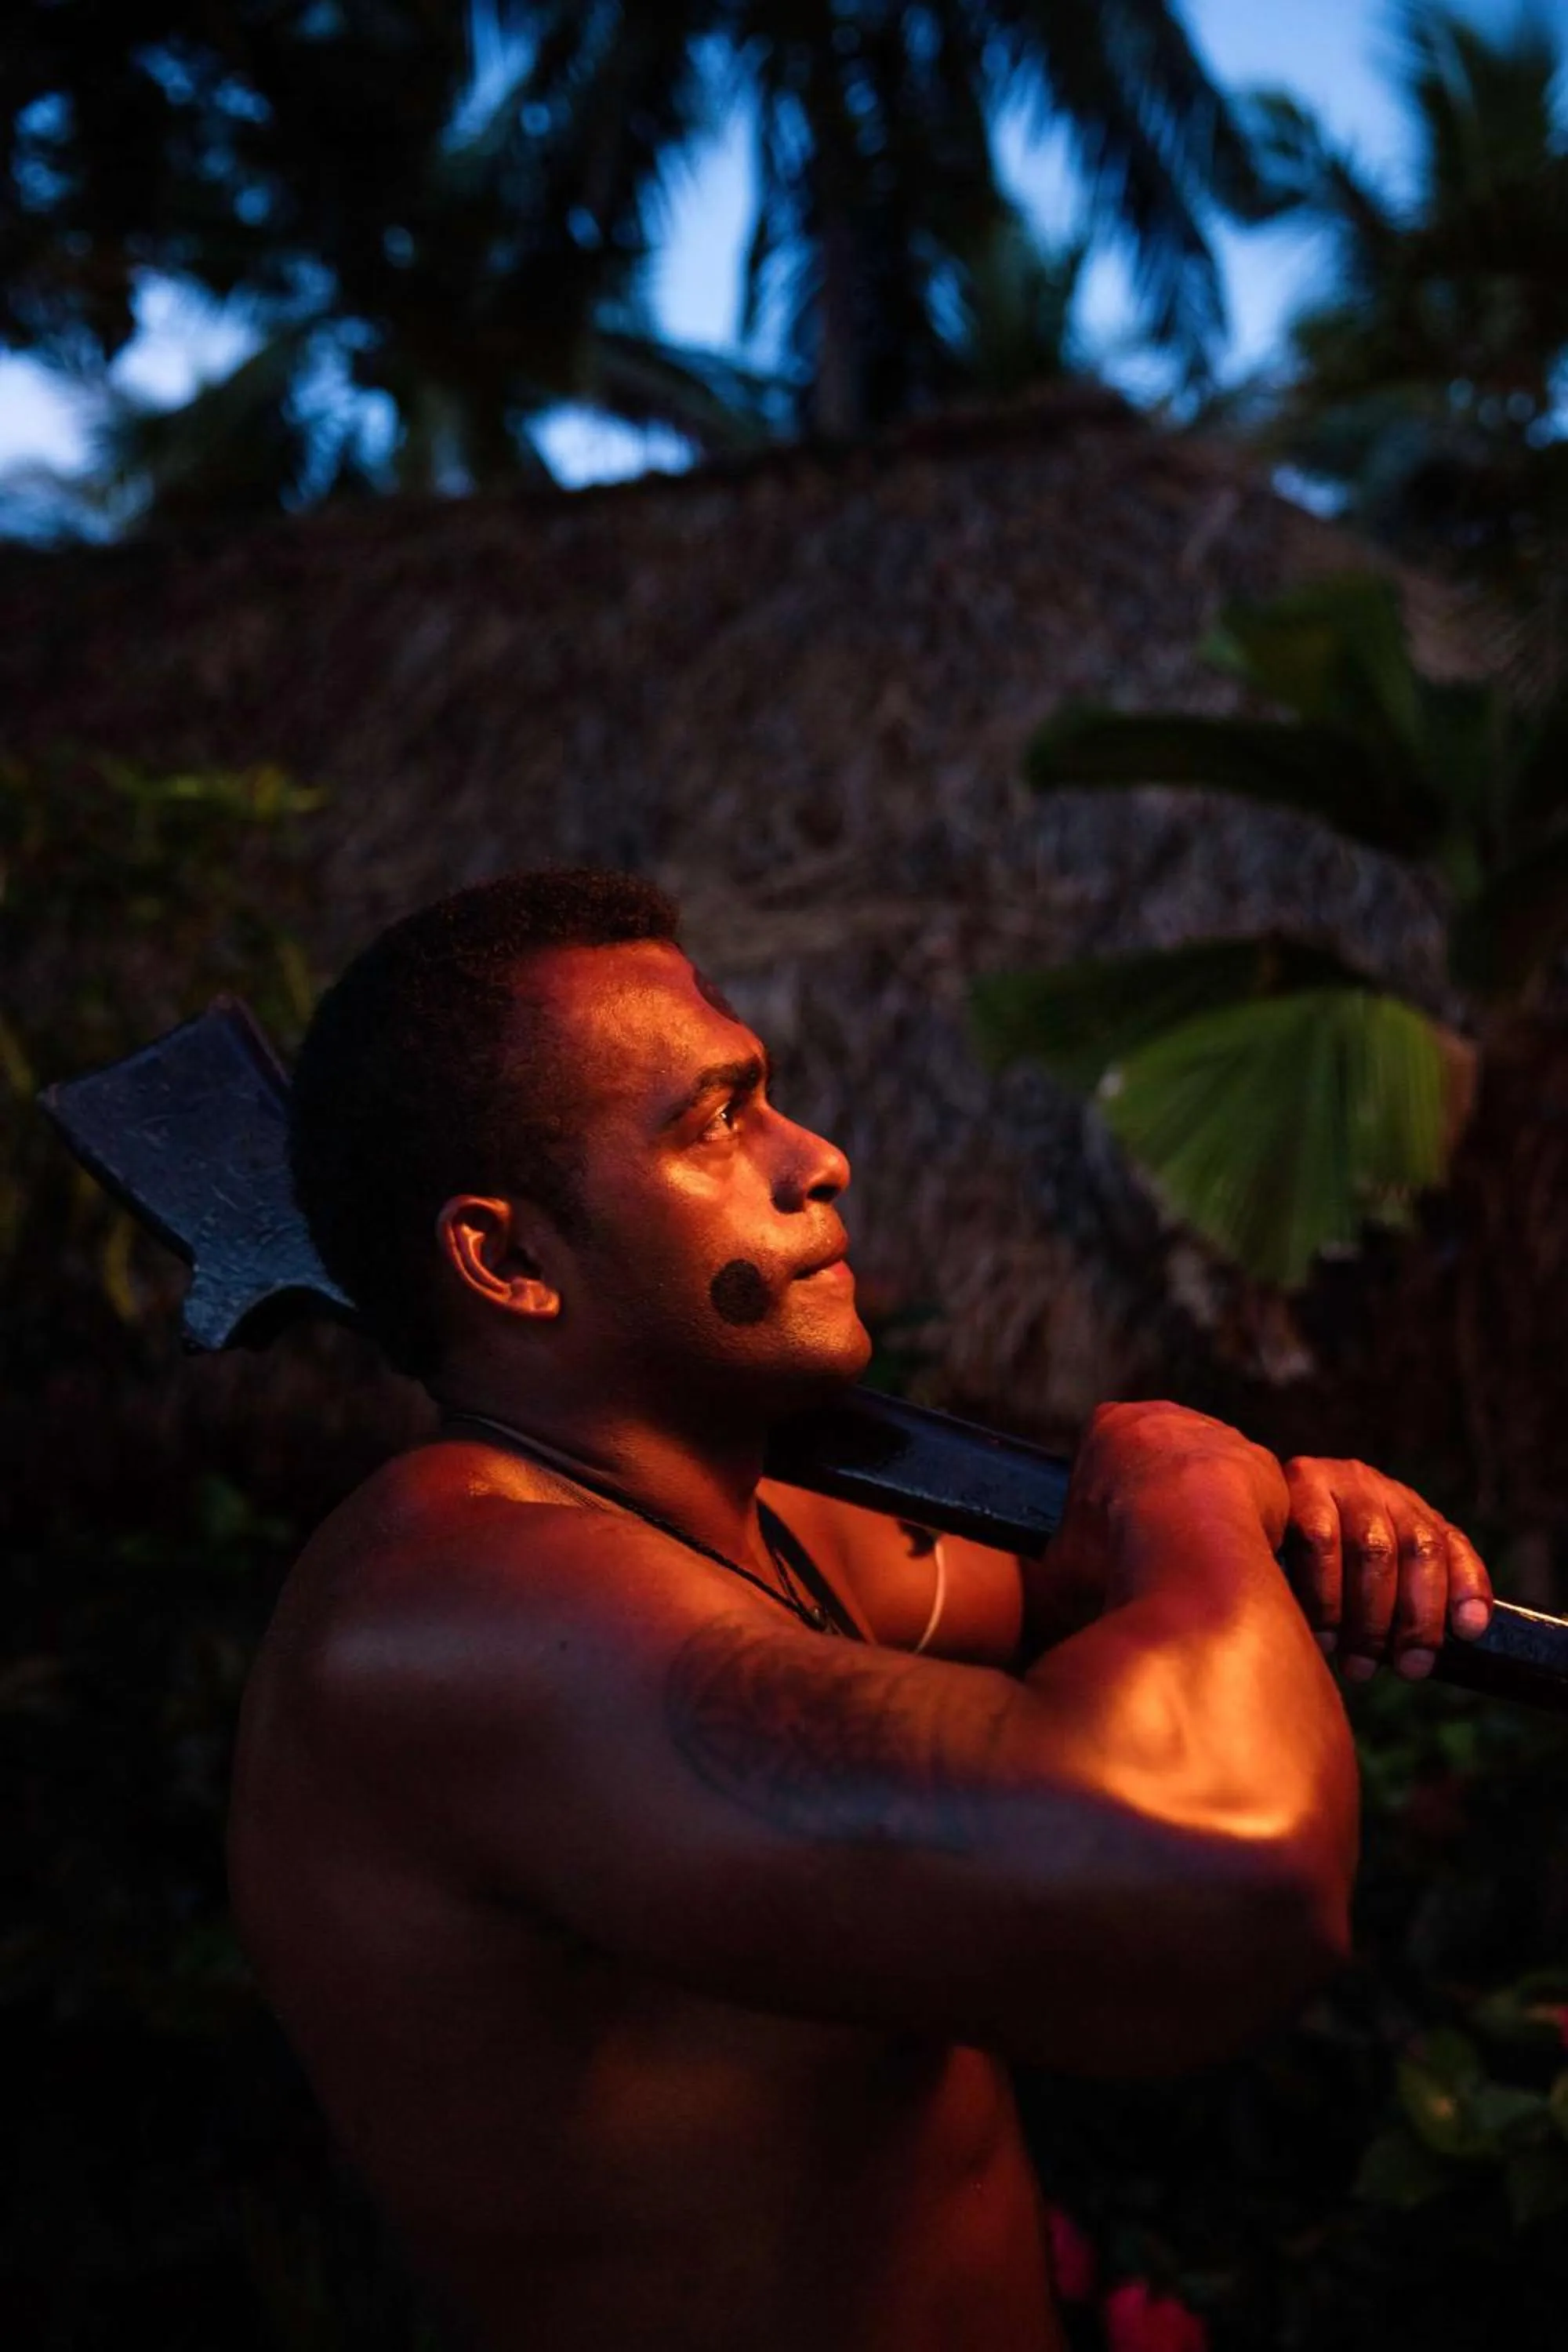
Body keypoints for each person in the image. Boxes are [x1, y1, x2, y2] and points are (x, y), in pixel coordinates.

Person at [229, 869, 1492, 2352]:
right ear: (507, 1261)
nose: (817, 1157)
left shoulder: (785, 1522)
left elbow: (1094, 1595)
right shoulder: (456, 1625)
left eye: (770, 1100)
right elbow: (1226, 1870)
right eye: (715, 1120)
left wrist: (1281, 1532)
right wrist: (1197, 1499)